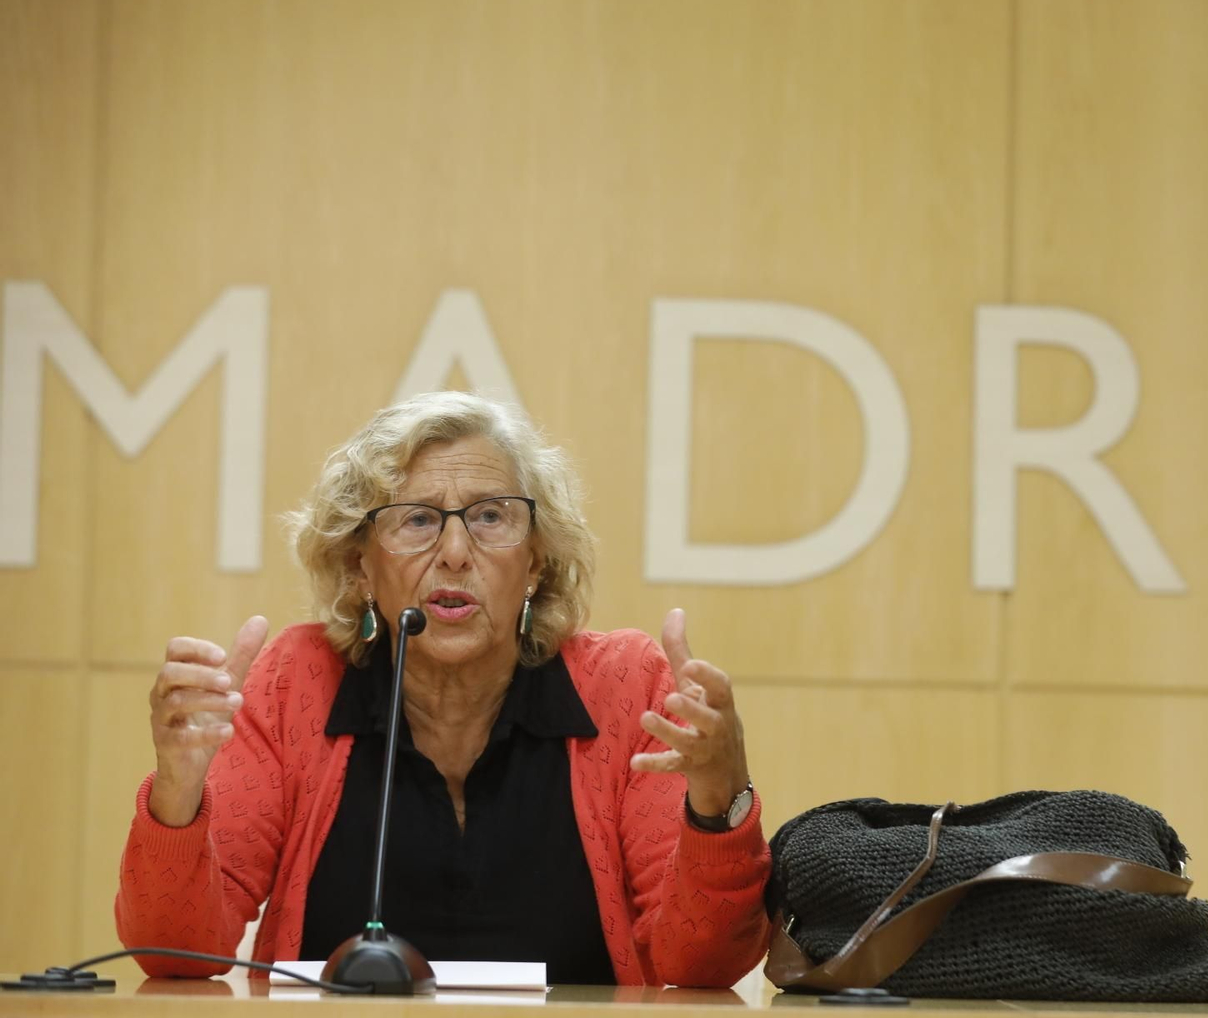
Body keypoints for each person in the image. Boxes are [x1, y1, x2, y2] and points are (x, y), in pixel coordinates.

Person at [115, 391, 770, 987]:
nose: (456, 550)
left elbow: (702, 963)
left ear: (537, 560)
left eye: (490, 516)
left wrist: (718, 804)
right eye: (418, 520)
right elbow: (175, 951)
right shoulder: (297, 682)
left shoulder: (624, 685)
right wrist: (178, 789)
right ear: (361, 564)